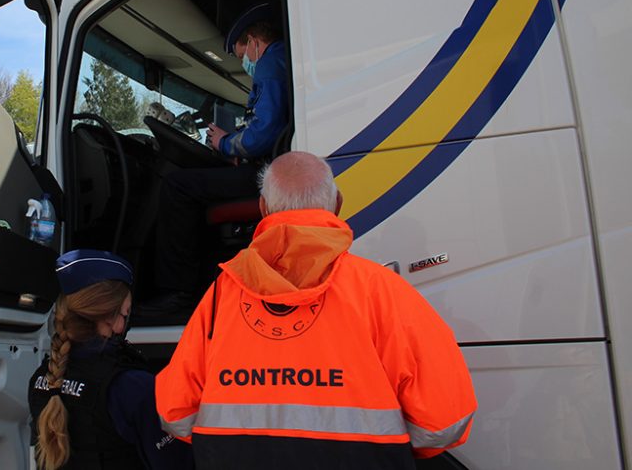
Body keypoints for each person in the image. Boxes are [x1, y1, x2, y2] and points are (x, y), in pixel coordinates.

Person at [154, 152, 477, 469]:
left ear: (264, 208)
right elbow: (443, 423)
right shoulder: (382, 289)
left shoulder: (221, 295)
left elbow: (176, 414)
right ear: (337, 204)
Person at [136, 3, 289, 321]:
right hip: (270, 170)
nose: (244, 62)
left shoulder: (270, 63)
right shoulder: (282, 62)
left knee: (178, 186)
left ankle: (176, 293)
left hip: (264, 176)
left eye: (241, 52)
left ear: (254, 43)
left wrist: (224, 142)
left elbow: (263, 133)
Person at [28, 249, 194, 470]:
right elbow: (175, 463)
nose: (124, 324)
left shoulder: (41, 378)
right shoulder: (132, 386)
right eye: (125, 314)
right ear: (111, 319)